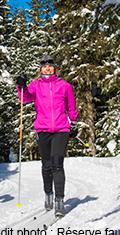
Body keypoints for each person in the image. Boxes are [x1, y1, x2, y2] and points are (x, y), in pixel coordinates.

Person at [16, 54, 77, 217]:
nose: (47, 68)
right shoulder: (36, 85)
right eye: (44, 66)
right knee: (47, 165)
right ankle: (48, 193)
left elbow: (71, 106)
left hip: (61, 128)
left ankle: (59, 200)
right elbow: (25, 98)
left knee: (57, 163)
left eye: (50, 65)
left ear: (54, 68)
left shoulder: (65, 86)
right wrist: (20, 86)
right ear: (40, 69)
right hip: (42, 129)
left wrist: (74, 123)